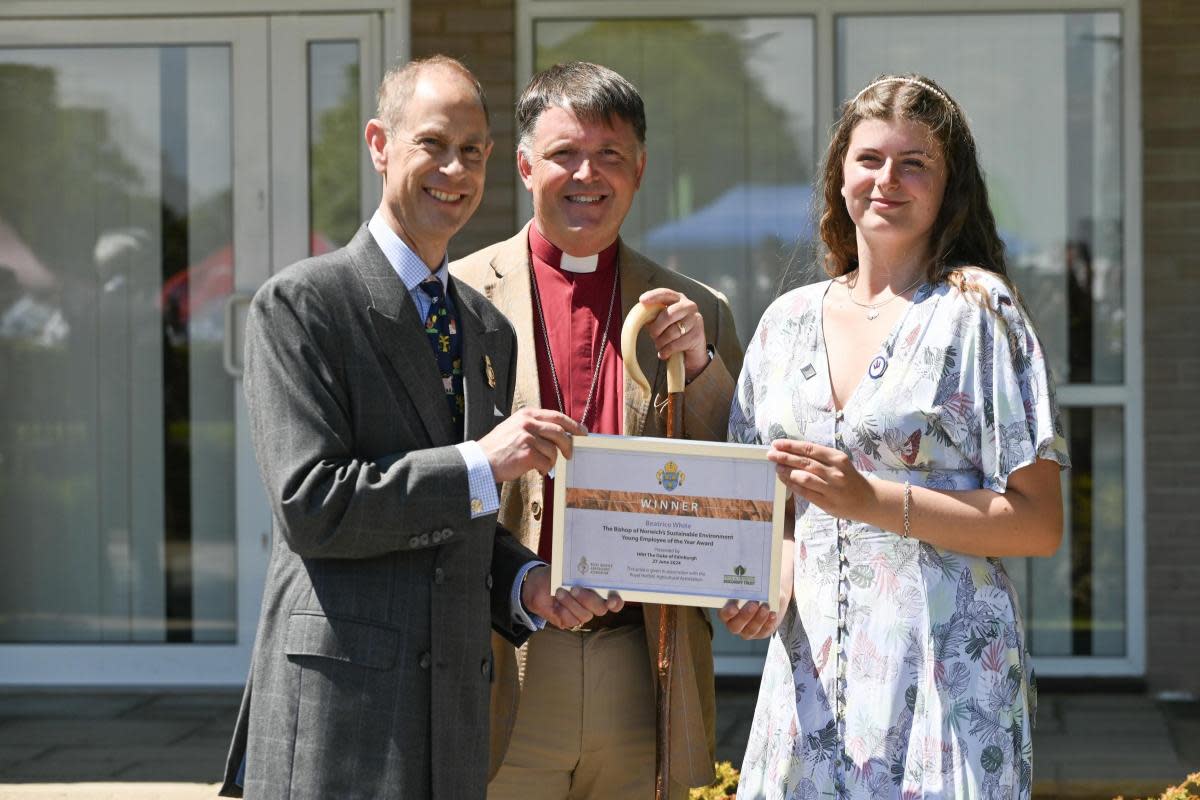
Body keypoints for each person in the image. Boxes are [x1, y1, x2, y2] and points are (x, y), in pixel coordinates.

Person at [219, 56, 617, 800]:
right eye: (432, 143)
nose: (453, 169)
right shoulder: (303, 305)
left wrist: (527, 584)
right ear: (379, 144)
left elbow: (459, 521)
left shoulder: (485, 328)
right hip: (343, 714)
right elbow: (315, 506)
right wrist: (479, 463)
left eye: (471, 151)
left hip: (453, 721)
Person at [728, 73, 1070, 799]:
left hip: (947, 681)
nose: (889, 180)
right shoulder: (784, 325)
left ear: (951, 188)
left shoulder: (978, 312)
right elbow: (774, 517)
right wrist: (766, 584)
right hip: (812, 683)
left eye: (916, 163)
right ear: (838, 177)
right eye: (870, 160)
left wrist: (873, 499)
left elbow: (1039, 525)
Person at [452, 61, 754, 799]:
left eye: (610, 156)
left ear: (640, 168)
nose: (587, 175)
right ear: (525, 165)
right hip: (507, 652)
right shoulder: (456, 295)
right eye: (563, 154)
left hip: (645, 660)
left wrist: (703, 364)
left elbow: (745, 469)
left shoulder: (698, 309)